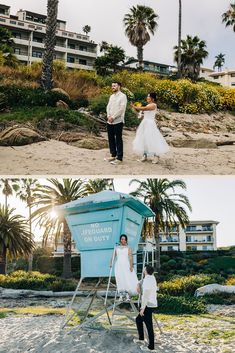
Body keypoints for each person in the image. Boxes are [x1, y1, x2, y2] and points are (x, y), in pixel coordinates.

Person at [131, 93, 169, 164]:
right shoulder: (148, 105)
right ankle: (144, 155)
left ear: (152, 98)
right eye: (147, 97)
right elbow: (144, 114)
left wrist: (135, 107)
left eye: (148, 97)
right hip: (144, 123)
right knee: (143, 139)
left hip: (150, 124)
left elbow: (145, 109)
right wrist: (139, 113)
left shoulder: (153, 105)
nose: (147, 98)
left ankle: (156, 156)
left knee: (152, 139)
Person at [135, 265, 158, 352]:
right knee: (138, 320)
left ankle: (151, 347)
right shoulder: (151, 278)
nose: (143, 270)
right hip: (152, 304)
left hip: (148, 305)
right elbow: (143, 280)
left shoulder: (148, 280)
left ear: (145, 270)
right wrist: (138, 283)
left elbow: (146, 295)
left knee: (149, 326)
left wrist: (142, 308)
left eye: (144, 269)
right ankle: (141, 339)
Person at [110, 234, 138, 301]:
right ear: (120, 240)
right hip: (118, 265)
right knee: (120, 279)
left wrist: (131, 266)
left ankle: (128, 296)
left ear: (126, 240)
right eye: (122, 239)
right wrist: (111, 263)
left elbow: (131, 257)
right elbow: (113, 256)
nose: (123, 240)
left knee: (127, 279)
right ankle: (121, 296)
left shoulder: (128, 248)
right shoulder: (116, 248)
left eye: (124, 239)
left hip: (126, 265)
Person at [106, 82, 127, 165]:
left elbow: (121, 109)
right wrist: (108, 116)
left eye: (114, 86)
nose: (113, 87)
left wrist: (113, 117)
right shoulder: (111, 96)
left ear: (119, 86)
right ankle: (113, 155)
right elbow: (108, 107)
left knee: (118, 139)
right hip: (109, 120)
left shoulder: (123, 96)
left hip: (118, 121)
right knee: (110, 138)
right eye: (112, 86)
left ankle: (119, 158)